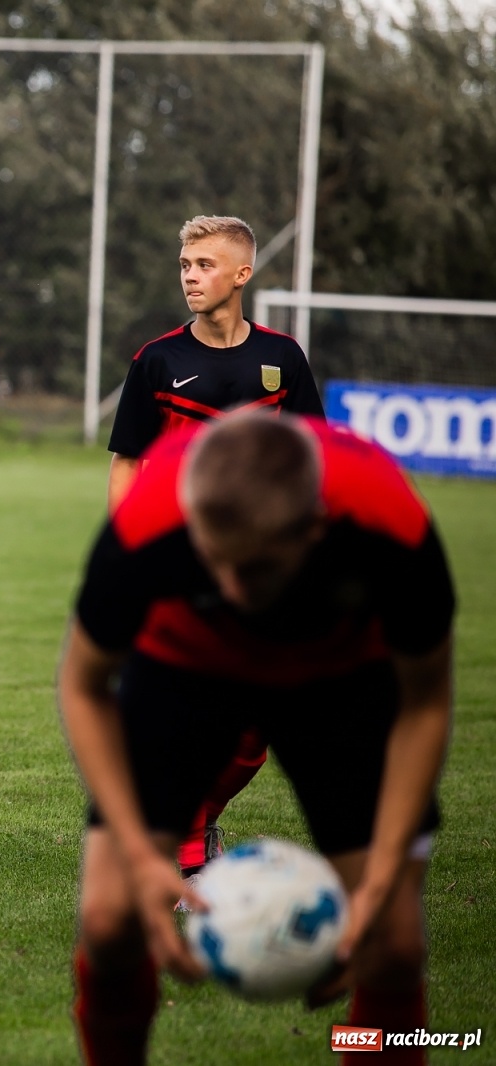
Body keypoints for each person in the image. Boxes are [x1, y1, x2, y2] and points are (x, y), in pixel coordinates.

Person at [59, 413, 454, 1066]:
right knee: (109, 919)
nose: (237, 589)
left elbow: (425, 703)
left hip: (341, 676)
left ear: (315, 529)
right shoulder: (148, 527)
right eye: (217, 564)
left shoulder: (390, 529)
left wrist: (382, 880)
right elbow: (83, 686)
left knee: (394, 945)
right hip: (185, 666)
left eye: (260, 568)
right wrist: (139, 849)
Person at [106, 215, 327, 887]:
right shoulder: (159, 359)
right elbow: (126, 462)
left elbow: (313, 455)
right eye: (185, 264)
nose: (191, 276)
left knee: (258, 732)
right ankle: (187, 855)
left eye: (204, 264)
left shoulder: (283, 360)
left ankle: (193, 820)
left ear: (241, 273)